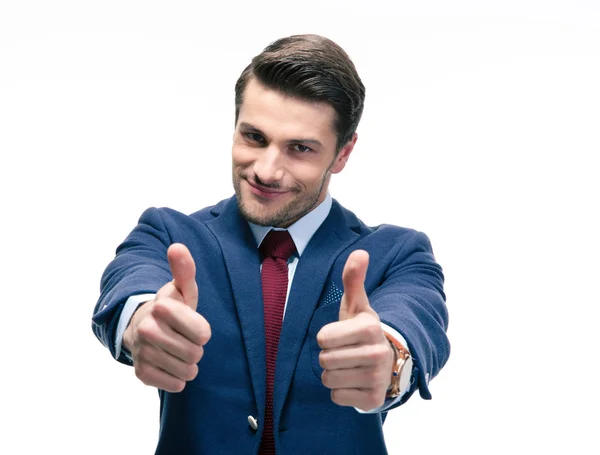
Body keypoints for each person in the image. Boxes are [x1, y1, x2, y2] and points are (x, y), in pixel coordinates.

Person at [91, 34, 450, 454]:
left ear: (343, 153)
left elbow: (417, 319)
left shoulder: (396, 254)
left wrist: (391, 360)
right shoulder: (170, 234)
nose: (266, 170)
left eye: (299, 148)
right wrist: (142, 322)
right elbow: (127, 284)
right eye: (254, 137)